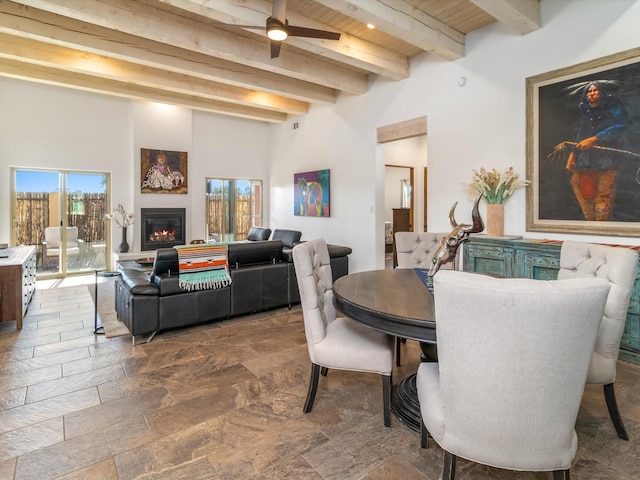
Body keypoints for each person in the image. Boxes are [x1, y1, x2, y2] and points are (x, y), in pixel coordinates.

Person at [564, 80, 629, 221]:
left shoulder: (612, 105)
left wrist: (595, 138)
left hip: (608, 158)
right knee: (579, 186)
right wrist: (573, 155)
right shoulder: (586, 110)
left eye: (595, 90)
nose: (592, 94)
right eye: (589, 91)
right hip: (587, 160)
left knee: (603, 195)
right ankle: (591, 223)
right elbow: (582, 133)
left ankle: (601, 226)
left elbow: (622, 125)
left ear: (601, 92)